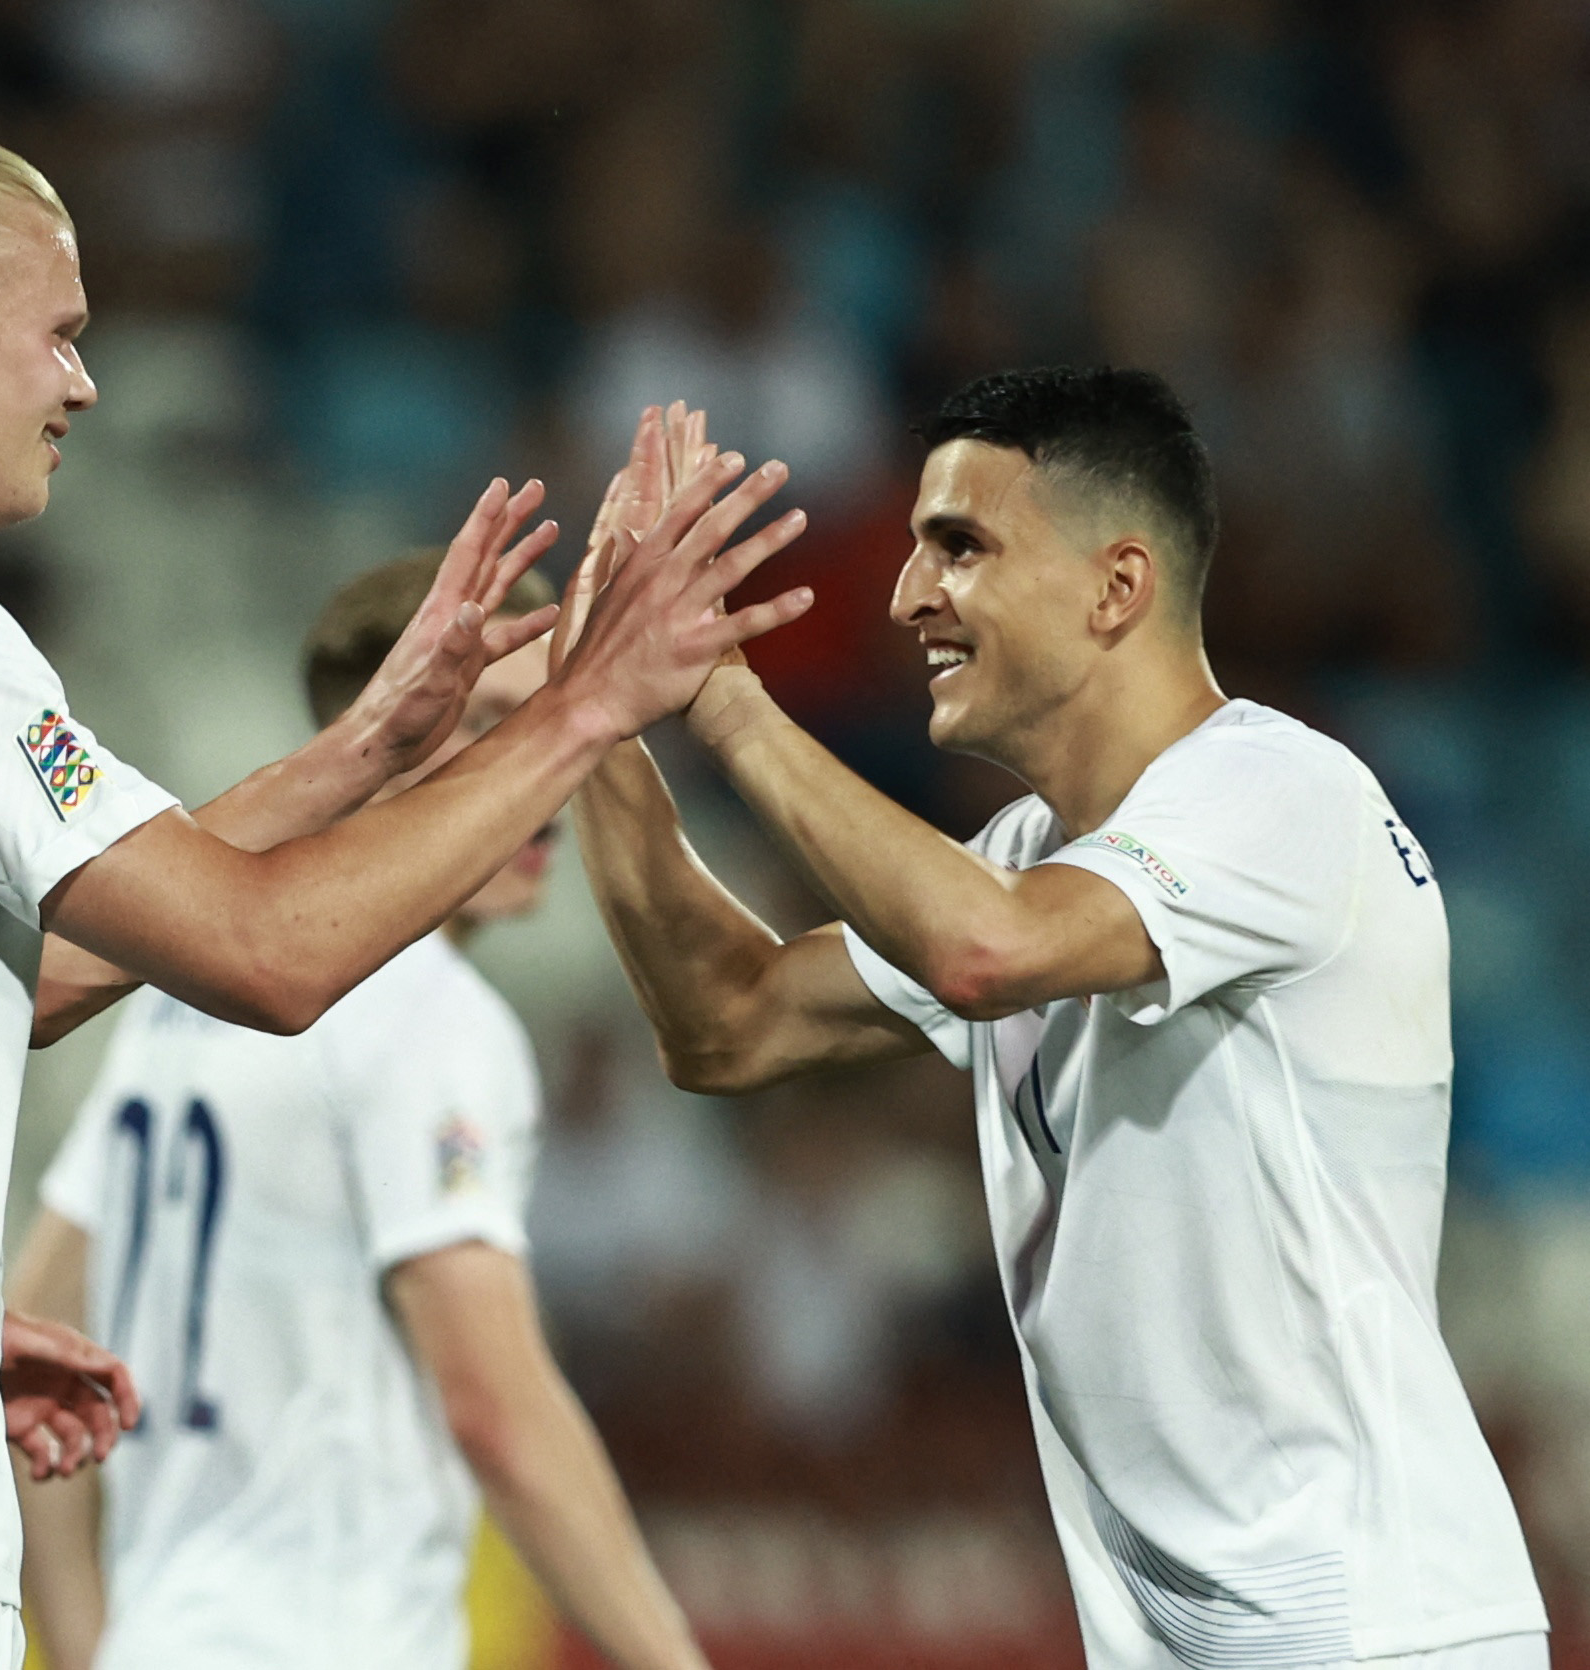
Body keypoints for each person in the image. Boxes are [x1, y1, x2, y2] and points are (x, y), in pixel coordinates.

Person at [0, 119, 810, 1670]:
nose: (84, 385)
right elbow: (269, 956)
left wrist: (360, 754)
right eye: (63, 334)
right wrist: (583, 706)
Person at [570, 375, 1550, 1670]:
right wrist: (594, 718)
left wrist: (731, 700)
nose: (909, 595)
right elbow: (728, 1021)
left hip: (1374, 1627)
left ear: (1117, 586)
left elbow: (987, 950)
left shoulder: (1277, 792)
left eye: (962, 546)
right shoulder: (1037, 855)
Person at [10, 552, 711, 1670]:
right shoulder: (430, 1009)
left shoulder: (173, 1006)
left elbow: (34, 1339)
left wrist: (93, 1642)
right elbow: (497, 1409)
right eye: (477, 721)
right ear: (374, 738)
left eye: (541, 725)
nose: (532, 775)